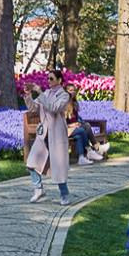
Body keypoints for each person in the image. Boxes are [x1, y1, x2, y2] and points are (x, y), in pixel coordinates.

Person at [26, 69, 74, 204]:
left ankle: (64, 195)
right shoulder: (46, 93)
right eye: (48, 79)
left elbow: (53, 108)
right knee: (31, 162)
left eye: (51, 79)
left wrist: (40, 92)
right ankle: (38, 189)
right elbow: (33, 108)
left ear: (59, 80)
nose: (49, 81)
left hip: (57, 135)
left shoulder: (64, 95)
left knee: (58, 167)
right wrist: (28, 95)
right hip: (43, 134)